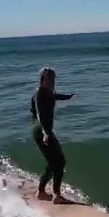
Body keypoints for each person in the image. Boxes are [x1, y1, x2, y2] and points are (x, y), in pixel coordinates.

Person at [30, 67, 75, 204]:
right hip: (41, 131)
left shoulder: (49, 92)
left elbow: (55, 96)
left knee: (55, 163)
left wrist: (68, 97)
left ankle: (42, 192)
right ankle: (55, 195)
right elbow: (39, 113)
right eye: (50, 78)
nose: (53, 81)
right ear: (43, 79)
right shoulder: (39, 93)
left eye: (54, 78)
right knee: (59, 162)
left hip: (46, 131)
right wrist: (45, 132)